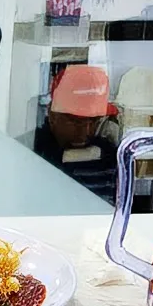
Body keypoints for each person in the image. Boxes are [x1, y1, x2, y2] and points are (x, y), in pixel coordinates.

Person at [33, 65, 119, 204]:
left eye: (93, 120)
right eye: (75, 121)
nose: (84, 131)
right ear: (52, 114)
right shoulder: (29, 151)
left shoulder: (110, 158)